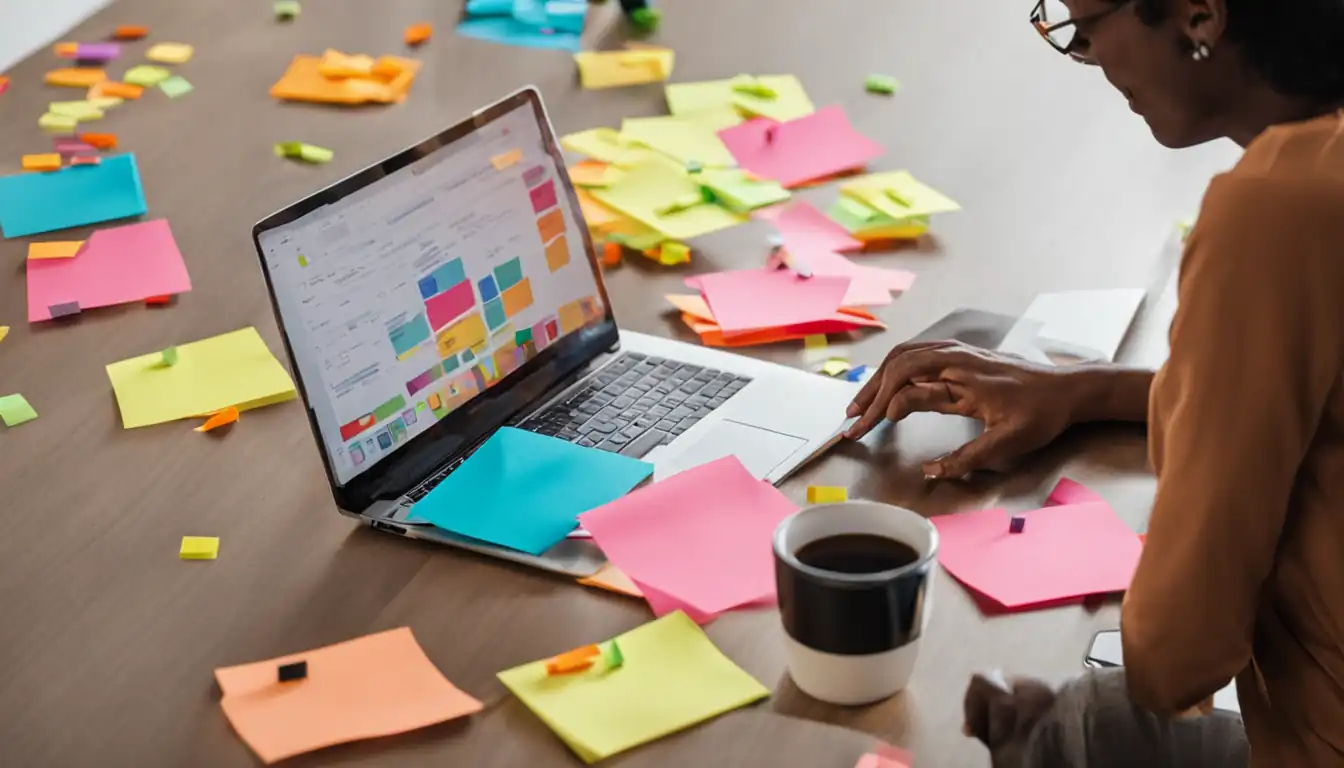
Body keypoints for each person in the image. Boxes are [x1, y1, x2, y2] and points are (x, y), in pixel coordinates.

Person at [846, 0, 1344, 765]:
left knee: (1064, 715)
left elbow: (1178, 652)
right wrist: (1086, 391)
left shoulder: (1279, 207)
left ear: (1200, 15)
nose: (1087, 55)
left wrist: (1068, 734)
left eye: (1088, 23)